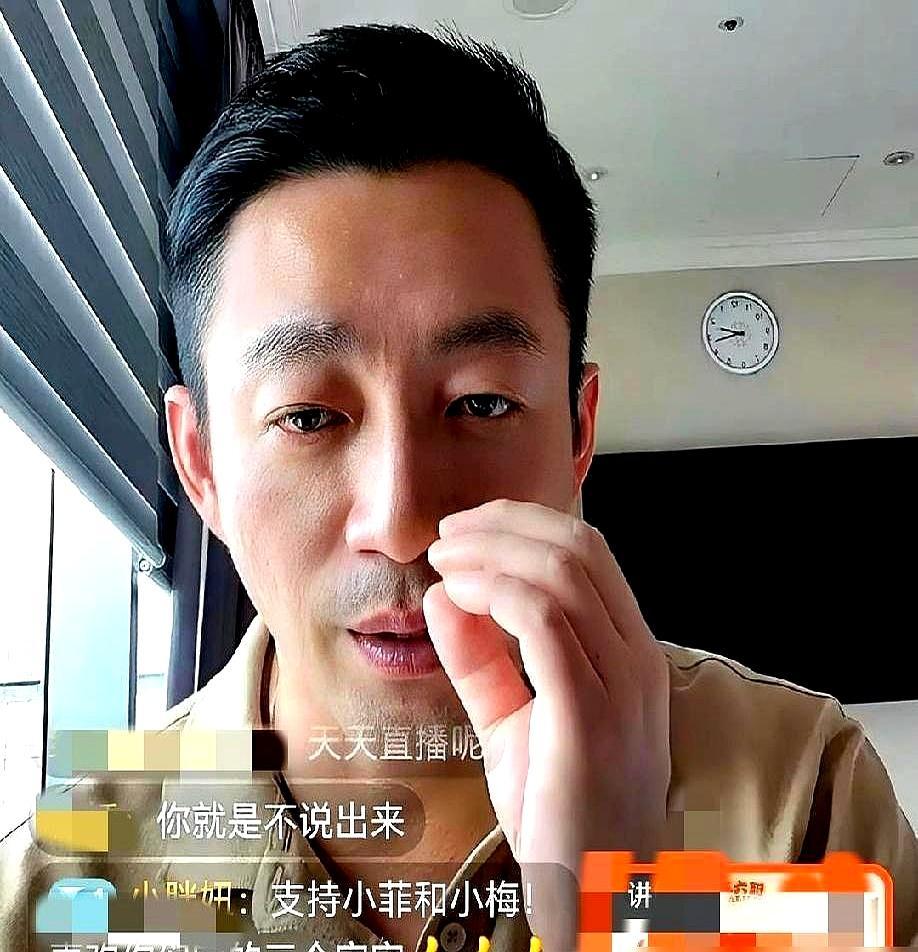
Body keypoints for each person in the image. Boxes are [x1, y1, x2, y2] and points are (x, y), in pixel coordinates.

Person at [2, 22, 917, 952]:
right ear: (201, 464)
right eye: (308, 416)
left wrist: (619, 912)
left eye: (481, 404)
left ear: (579, 431)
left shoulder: (798, 802)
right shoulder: (67, 884)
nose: (402, 520)